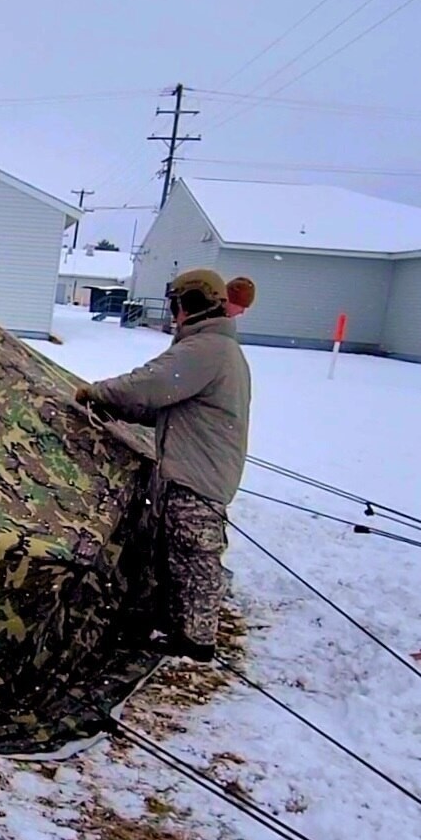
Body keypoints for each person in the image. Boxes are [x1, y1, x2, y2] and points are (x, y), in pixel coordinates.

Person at [75, 268, 251, 662]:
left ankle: (196, 640)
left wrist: (98, 392)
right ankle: (181, 628)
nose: (174, 314)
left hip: (197, 473)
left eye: (176, 304)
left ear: (190, 304)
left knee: (195, 554)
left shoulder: (206, 350)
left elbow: (151, 384)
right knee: (178, 553)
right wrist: (120, 410)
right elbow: (167, 409)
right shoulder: (216, 349)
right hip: (198, 466)